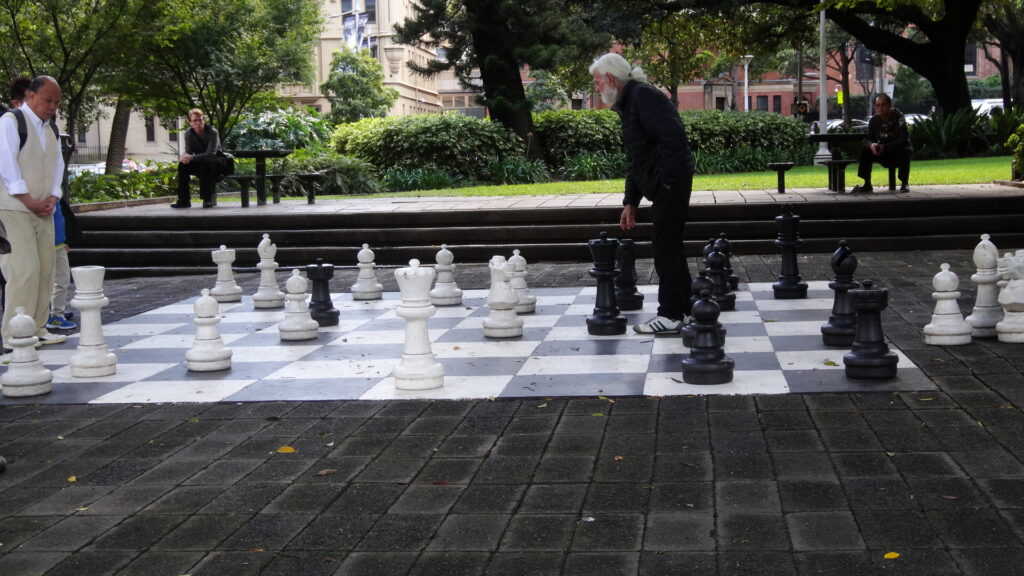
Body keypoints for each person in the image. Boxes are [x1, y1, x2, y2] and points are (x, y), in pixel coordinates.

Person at [590, 52, 696, 334]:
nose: (597, 88)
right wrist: (631, 201)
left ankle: (672, 314)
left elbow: (674, 138)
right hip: (665, 183)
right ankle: (684, 309)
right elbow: (638, 157)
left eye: (598, 82)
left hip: (670, 183)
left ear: (611, 78)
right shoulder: (631, 101)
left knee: (665, 247)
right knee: (670, 246)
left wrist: (667, 183)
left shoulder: (642, 97)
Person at [0, 75, 67, 349]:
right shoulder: (11, 122)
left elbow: (57, 165)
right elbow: (6, 164)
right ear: (31, 96)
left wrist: (53, 195)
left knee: (45, 270)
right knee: (23, 271)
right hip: (14, 209)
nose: (52, 107)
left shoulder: (50, 128)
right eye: (48, 100)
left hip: (43, 209)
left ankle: (38, 327)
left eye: (56, 102)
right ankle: (14, 335)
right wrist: (27, 198)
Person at [852, 93, 912, 193]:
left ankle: (904, 183)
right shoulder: (874, 120)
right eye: (878, 105)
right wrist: (872, 145)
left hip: (897, 151)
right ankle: (867, 183)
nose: (880, 108)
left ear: (889, 105)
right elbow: (867, 139)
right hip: (882, 152)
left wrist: (886, 147)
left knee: (905, 149)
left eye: (883, 105)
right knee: (865, 150)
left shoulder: (899, 118)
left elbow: (903, 139)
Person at [171, 108, 225, 209]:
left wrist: (191, 157)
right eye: (195, 120)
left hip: (216, 161)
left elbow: (211, 154)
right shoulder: (188, 133)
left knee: (207, 163)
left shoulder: (213, 132)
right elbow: (189, 151)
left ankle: (207, 200)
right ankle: (184, 201)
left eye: (200, 119)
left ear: (203, 120)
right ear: (190, 123)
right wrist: (185, 157)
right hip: (200, 161)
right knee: (183, 166)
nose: (198, 122)